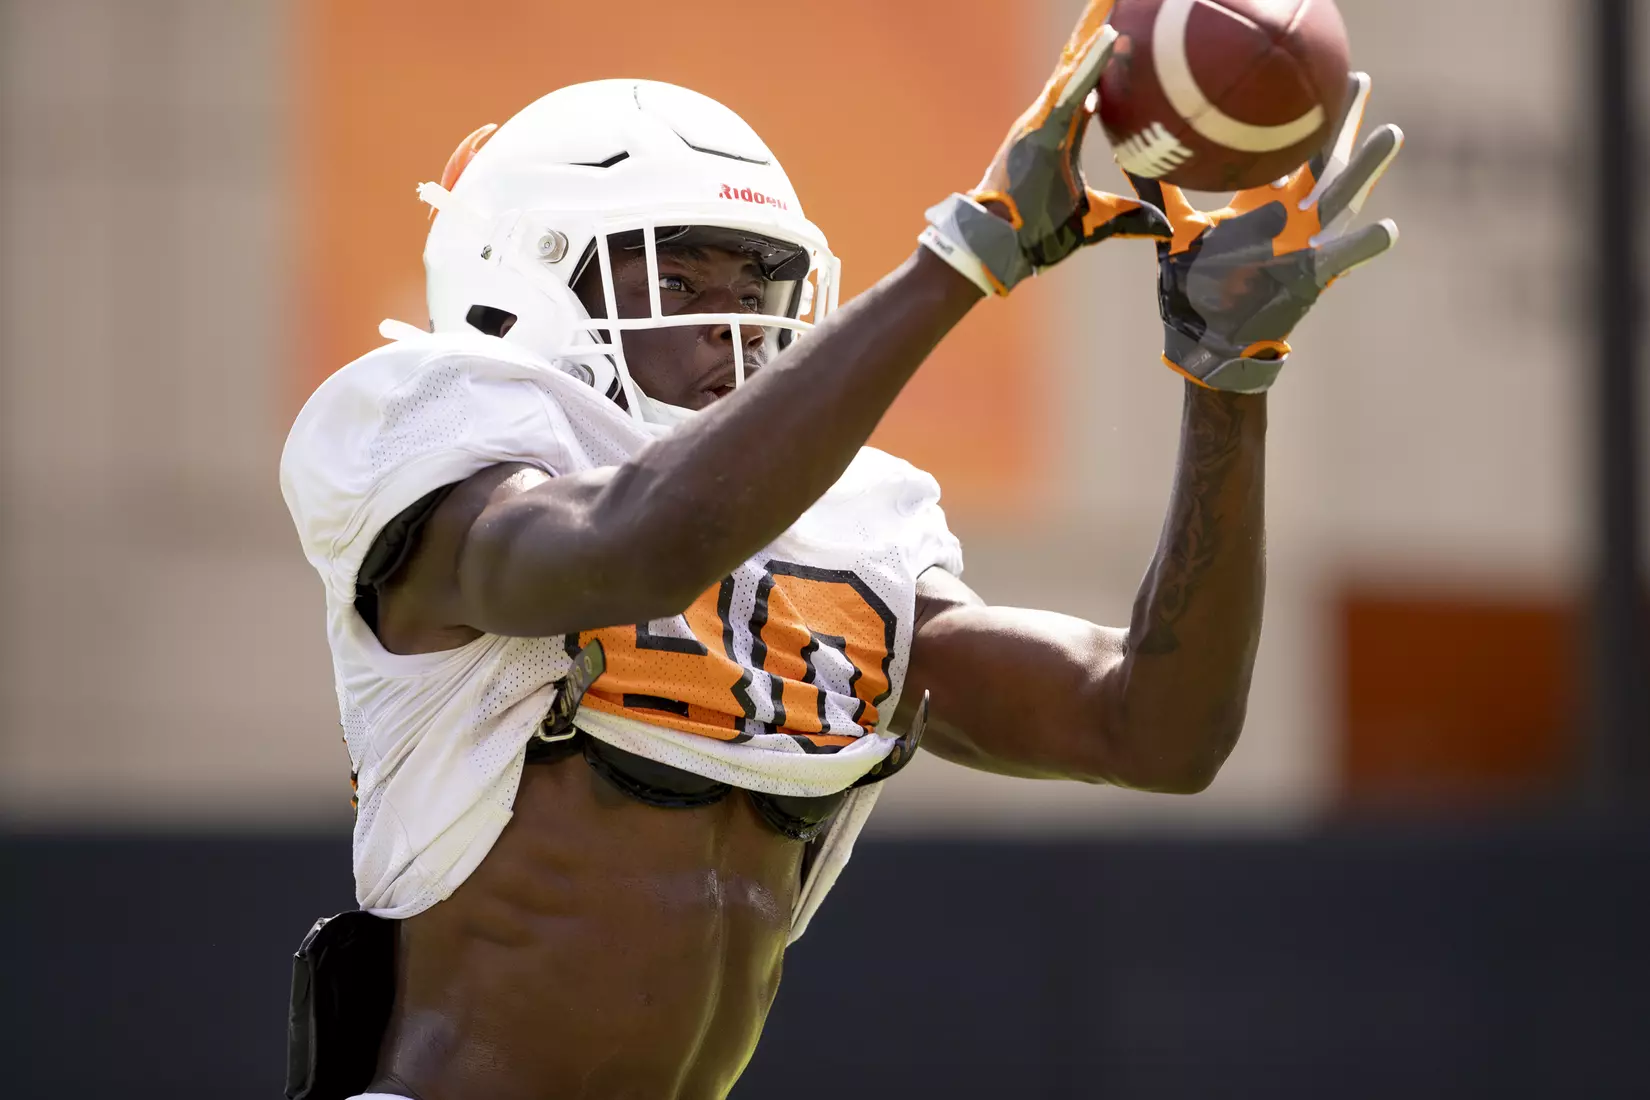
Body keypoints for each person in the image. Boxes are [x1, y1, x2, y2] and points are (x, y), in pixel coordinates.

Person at [278, 4, 1403, 1097]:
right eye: (677, 281)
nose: (735, 332)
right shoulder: (426, 430)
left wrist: (1228, 382)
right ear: (524, 273)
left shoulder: (852, 520)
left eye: (756, 288)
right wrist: (959, 259)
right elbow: (637, 547)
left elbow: (1152, 727)